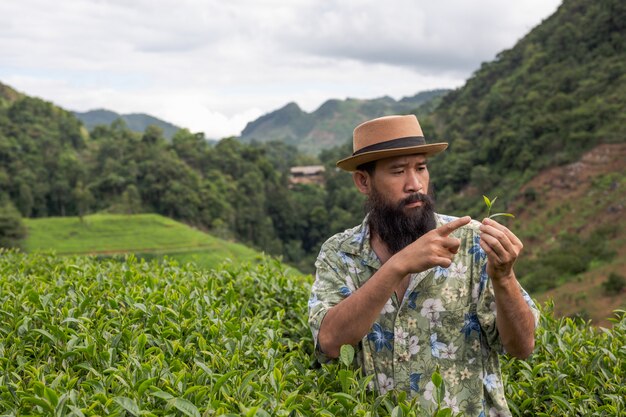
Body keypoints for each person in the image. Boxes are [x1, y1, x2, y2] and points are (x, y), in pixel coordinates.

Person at [308, 114, 539, 416]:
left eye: (421, 168)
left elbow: (521, 347)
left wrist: (505, 276)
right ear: (364, 181)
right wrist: (396, 267)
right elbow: (329, 341)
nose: (414, 184)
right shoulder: (340, 253)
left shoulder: (470, 244)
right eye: (398, 171)